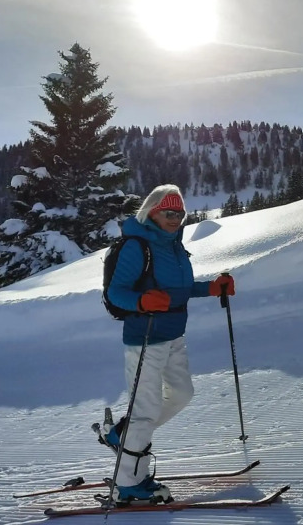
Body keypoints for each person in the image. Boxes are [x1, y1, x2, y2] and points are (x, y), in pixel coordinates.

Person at [99, 184, 235, 503]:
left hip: (173, 334)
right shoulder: (137, 246)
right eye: (168, 212)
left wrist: (211, 288)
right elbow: (116, 293)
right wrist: (142, 301)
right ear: (152, 212)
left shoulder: (173, 244)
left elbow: (178, 290)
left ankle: (121, 434)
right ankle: (128, 483)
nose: (175, 219)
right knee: (145, 410)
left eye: (180, 213)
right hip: (145, 337)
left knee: (182, 394)